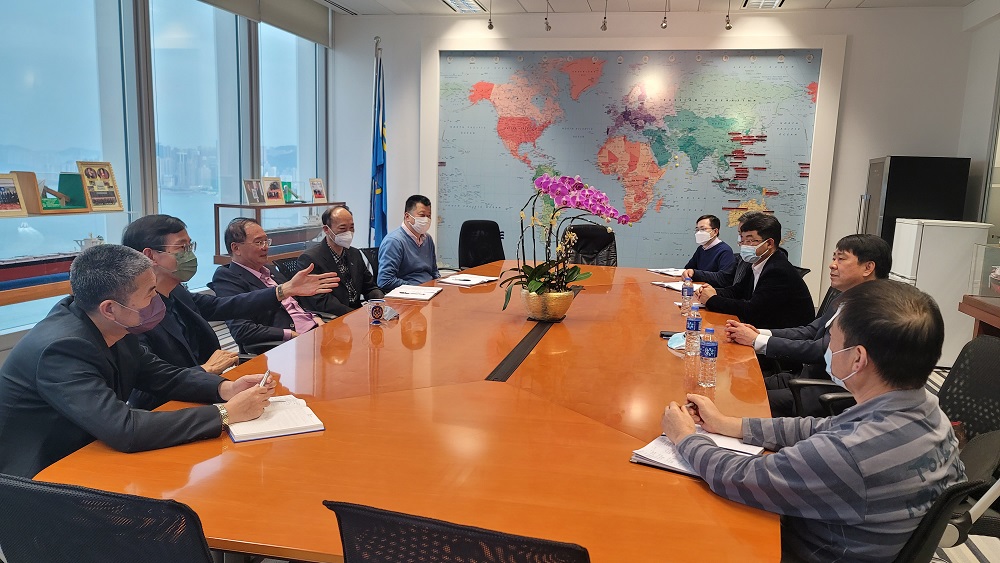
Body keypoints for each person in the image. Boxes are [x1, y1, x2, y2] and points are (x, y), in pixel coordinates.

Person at [661, 279, 966, 562]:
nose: (828, 349)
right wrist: (728, 424)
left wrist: (686, 438)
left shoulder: (849, 453)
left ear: (857, 358)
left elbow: (741, 477)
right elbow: (821, 427)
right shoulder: (928, 411)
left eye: (833, 341)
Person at [0, 245, 277, 478]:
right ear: (110, 308)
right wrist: (225, 414)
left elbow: (161, 375)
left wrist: (225, 389)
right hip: (41, 477)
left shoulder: (110, 324)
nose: (158, 300)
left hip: (91, 451)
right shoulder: (62, 349)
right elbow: (124, 429)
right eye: (150, 293)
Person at [121, 215, 338, 407]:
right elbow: (144, 391)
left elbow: (224, 306)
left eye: (190, 246)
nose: (190, 255)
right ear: (150, 256)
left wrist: (283, 290)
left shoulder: (176, 292)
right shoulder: (132, 313)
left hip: (208, 391)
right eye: (182, 248)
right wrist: (205, 370)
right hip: (175, 406)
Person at [725, 234, 892, 416]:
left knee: (740, 403)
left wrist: (756, 341)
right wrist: (760, 333)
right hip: (806, 377)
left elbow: (820, 350)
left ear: (868, 267)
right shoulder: (845, 296)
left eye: (841, 259)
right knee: (737, 385)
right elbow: (810, 330)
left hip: (823, 390)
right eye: (834, 258)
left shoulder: (873, 309)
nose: (832, 265)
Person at [211, 218, 326, 353]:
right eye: (259, 242)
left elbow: (296, 303)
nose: (265, 247)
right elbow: (242, 330)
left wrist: (315, 317)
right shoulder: (227, 278)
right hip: (286, 346)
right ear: (236, 248)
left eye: (266, 241)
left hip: (315, 329)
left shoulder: (269, 269)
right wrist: (289, 334)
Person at [695, 213, 813, 329]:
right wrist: (713, 291)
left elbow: (752, 310)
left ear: (769, 243)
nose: (744, 245)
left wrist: (712, 299)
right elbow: (737, 291)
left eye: (750, 240)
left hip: (784, 334)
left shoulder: (777, 270)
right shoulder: (758, 263)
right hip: (762, 326)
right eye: (743, 240)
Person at [297, 205, 384, 315]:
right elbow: (322, 301)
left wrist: (381, 301)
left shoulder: (354, 253)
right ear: (326, 230)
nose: (349, 233)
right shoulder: (310, 259)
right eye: (342, 229)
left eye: (351, 228)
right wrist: (356, 314)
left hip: (357, 312)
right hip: (334, 317)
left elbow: (370, 287)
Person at [377, 195, 440, 291]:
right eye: (422, 215)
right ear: (407, 217)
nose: (426, 220)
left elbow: (434, 271)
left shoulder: (428, 239)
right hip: (409, 293)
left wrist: (439, 284)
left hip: (430, 290)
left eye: (429, 216)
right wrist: (416, 288)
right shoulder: (394, 241)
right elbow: (385, 280)